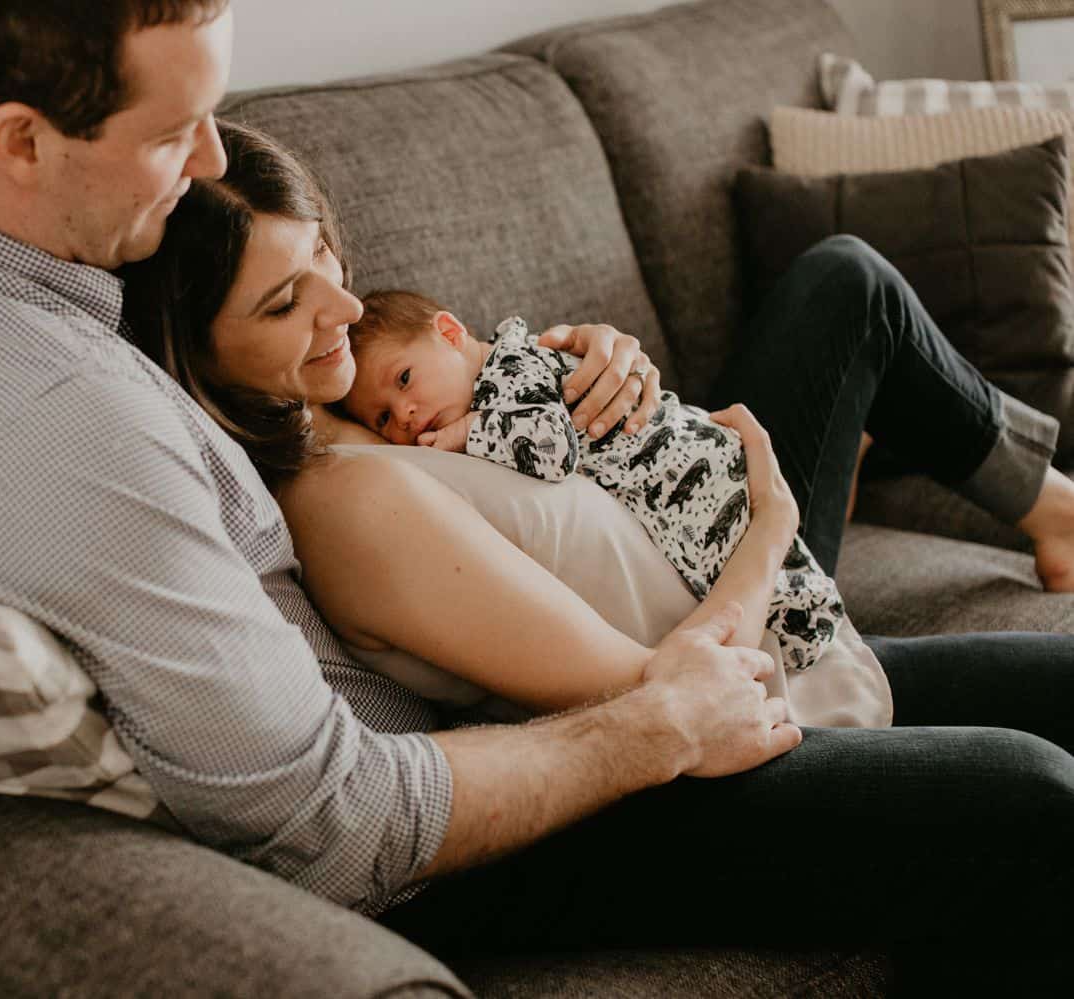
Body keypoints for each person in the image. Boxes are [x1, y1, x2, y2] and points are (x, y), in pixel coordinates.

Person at [0, 1, 1074, 990]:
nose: (205, 160)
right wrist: (656, 722)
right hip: (484, 828)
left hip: (565, 671)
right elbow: (331, 819)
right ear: (19, 140)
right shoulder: (57, 418)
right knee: (1022, 801)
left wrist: (581, 371)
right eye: (169, 134)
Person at [122, 117, 1074, 991]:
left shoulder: (350, 382)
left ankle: (1044, 504)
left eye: (325, 251)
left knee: (846, 282)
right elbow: (667, 697)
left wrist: (605, 361)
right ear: (196, 355)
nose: (343, 300)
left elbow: (516, 409)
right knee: (1032, 795)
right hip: (687, 683)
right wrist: (770, 528)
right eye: (288, 299)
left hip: (687, 547)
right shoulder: (342, 499)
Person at [338, 291, 844, 672]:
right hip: (685, 494)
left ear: (450, 333)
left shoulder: (509, 369)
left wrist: (470, 429)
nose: (403, 414)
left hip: (695, 465)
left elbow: (554, 448)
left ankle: (808, 612)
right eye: (382, 418)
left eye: (404, 379)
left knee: (775, 589)